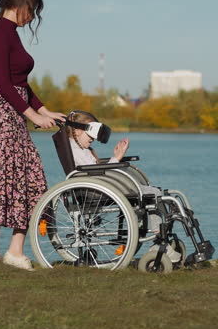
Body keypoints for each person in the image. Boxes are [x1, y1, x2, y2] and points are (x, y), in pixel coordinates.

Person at [0, 0, 65, 271]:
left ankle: (12, 252)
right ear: (19, 5)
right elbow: (1, 82)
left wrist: (45, 110)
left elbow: (21, 83)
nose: (33, 17)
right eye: (32, 10)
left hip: (14, 114)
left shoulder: (10, 34)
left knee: (24, 179)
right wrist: (33, 116)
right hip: (0, 115)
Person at [65, 110, 181, 263]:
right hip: (96, 190)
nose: (93, 139)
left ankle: (160, 237)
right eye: (90, 136)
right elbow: (96, 172)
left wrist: (116, 158)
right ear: (78, 130)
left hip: (100, 185)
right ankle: (159, 239)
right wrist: (117, 158)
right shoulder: (76, 150)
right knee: (153, 193)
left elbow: (97, 171)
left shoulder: (80, 148)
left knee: (154, 192)